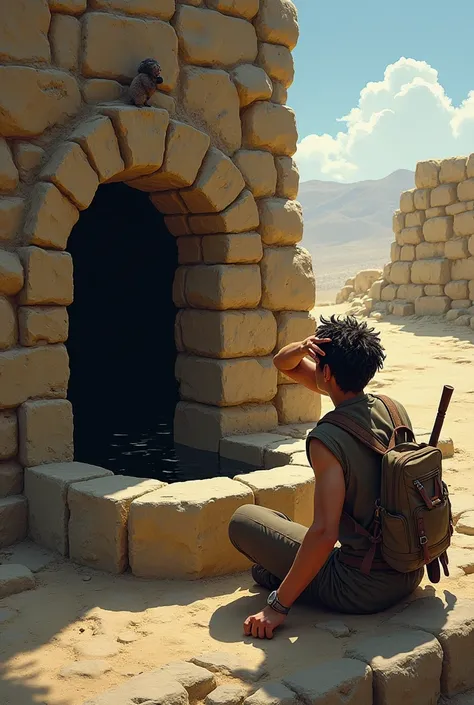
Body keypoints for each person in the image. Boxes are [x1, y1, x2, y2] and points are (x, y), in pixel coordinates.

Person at [228, 315, 424, 640]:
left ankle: (279, 578)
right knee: (277, 551)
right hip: (408, 570)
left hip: (360, 587)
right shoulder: (392, 408)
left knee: (244, 520)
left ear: (327, 373)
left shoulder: (328, 438)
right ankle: (277, 572)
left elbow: (324, 532)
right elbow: (284, 362)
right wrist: (305, 347)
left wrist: (277, 606)